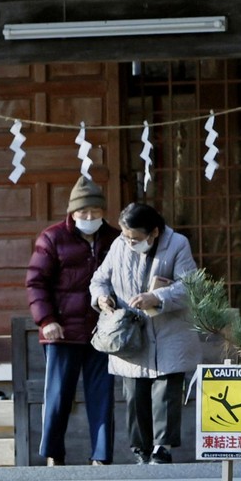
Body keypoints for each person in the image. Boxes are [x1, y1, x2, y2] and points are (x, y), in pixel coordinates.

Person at [89, 202, 200, 464]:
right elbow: (99, 279)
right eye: (126, 237)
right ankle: (140, 449)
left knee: (165, 394)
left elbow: (190, 287)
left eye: (136, 238)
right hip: (129, 334)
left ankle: (163, 449)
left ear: (154, 233)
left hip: (169, 332)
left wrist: (156, 297)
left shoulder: (178, 244)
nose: (130, 243)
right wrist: (102, 297)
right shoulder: (118, 245)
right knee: (134, 395)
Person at [25, 177, 115, 465]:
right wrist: (46, 319)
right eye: (83, 212)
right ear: (72, 213)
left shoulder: (114, 238)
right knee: (58, 396)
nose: (89, 218)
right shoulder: (51, 238)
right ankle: (53, 454)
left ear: (103, 212)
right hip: (61, 331)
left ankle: (101, 457)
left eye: (95, 212)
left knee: (102, 397)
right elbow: (35, 283)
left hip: (102, 332)